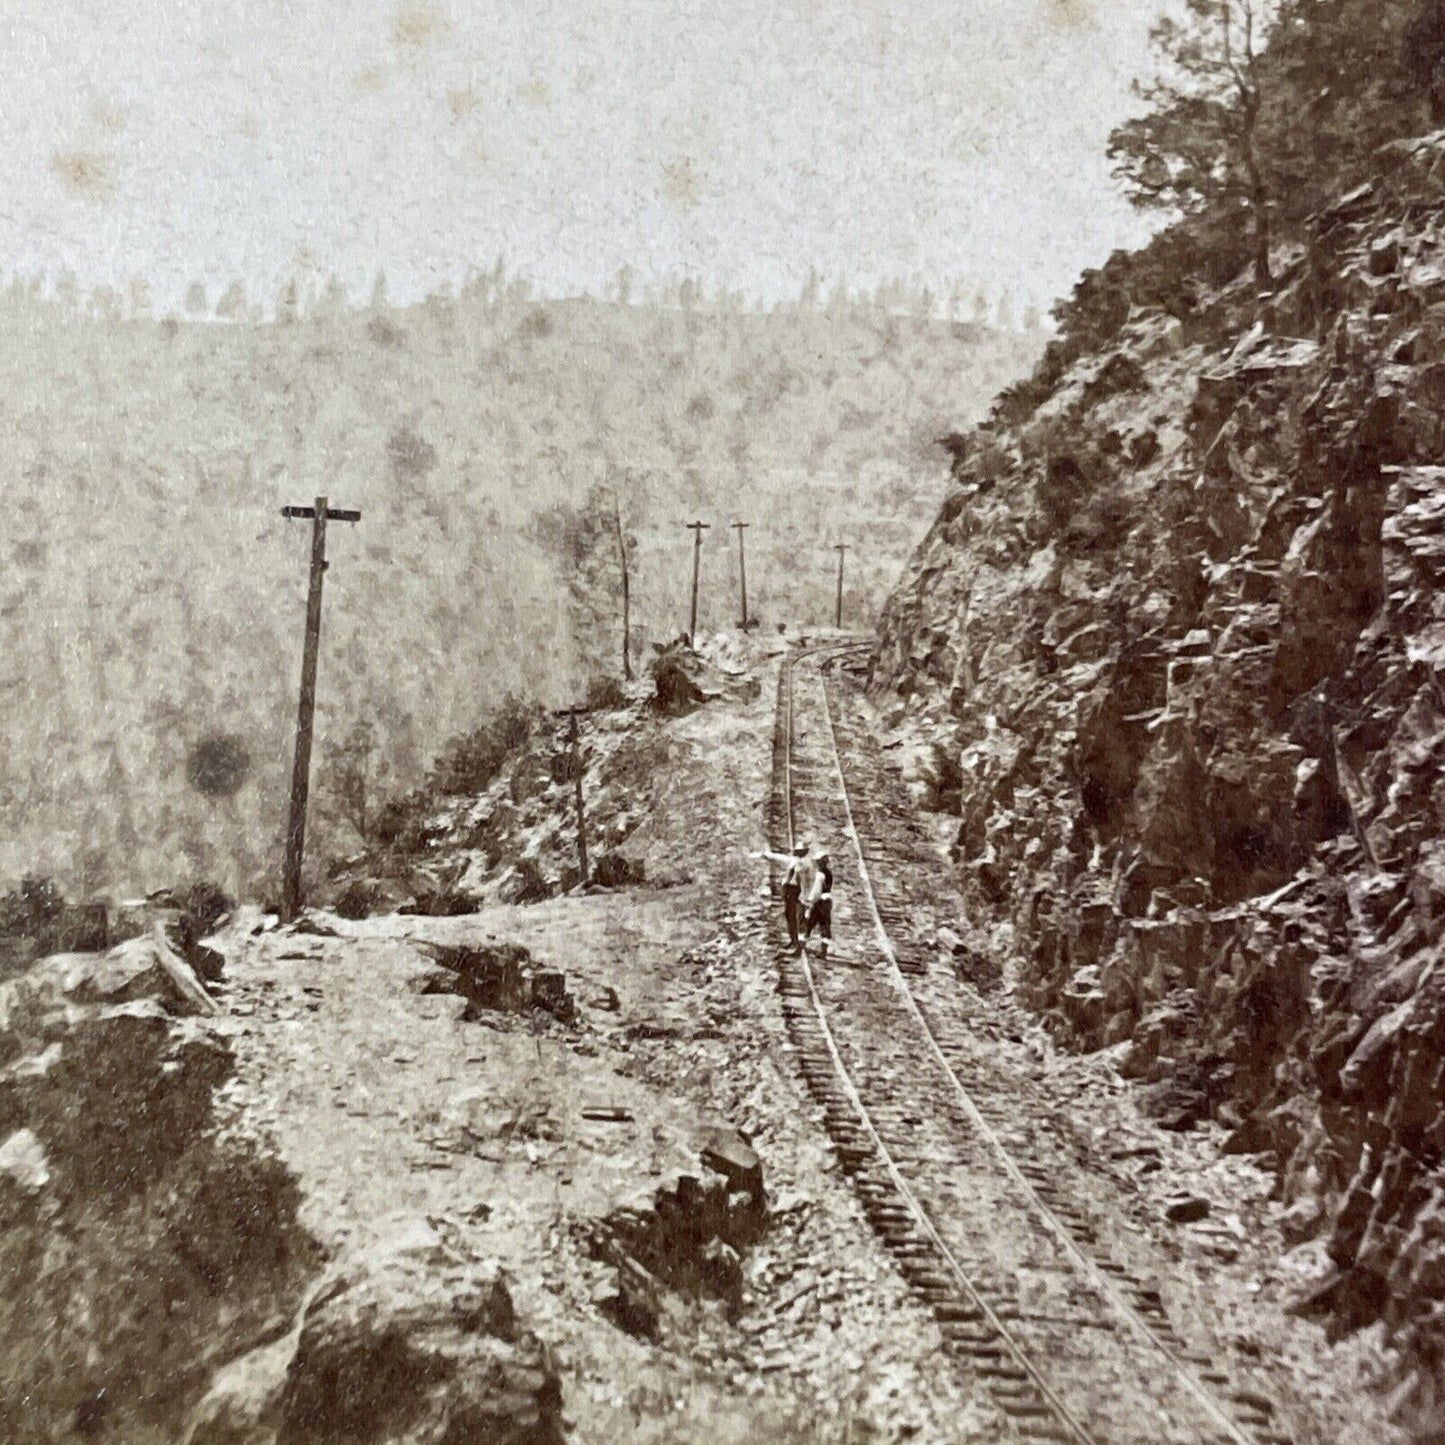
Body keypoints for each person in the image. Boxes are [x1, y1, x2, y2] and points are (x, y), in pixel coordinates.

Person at [753, 841, 813, 950]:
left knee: (797, 916)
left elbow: (805, 882)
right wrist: (767, 855)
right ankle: (794, 940)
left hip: (795, 891)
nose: (797, 854)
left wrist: (804, 897)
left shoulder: (803, 865)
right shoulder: (795, 861)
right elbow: (781, 858)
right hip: (789, 890)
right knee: (790, 915)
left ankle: (798, 941)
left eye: (800, 852)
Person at [803, 848, 833, 956]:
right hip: (828, 901)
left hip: (820, 901)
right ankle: (824, 951)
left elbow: (817, 890)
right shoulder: (829, 873)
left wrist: (810, 900)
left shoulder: (820, 874)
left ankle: (802, 946)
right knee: (825, 924)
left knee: (809, 922)